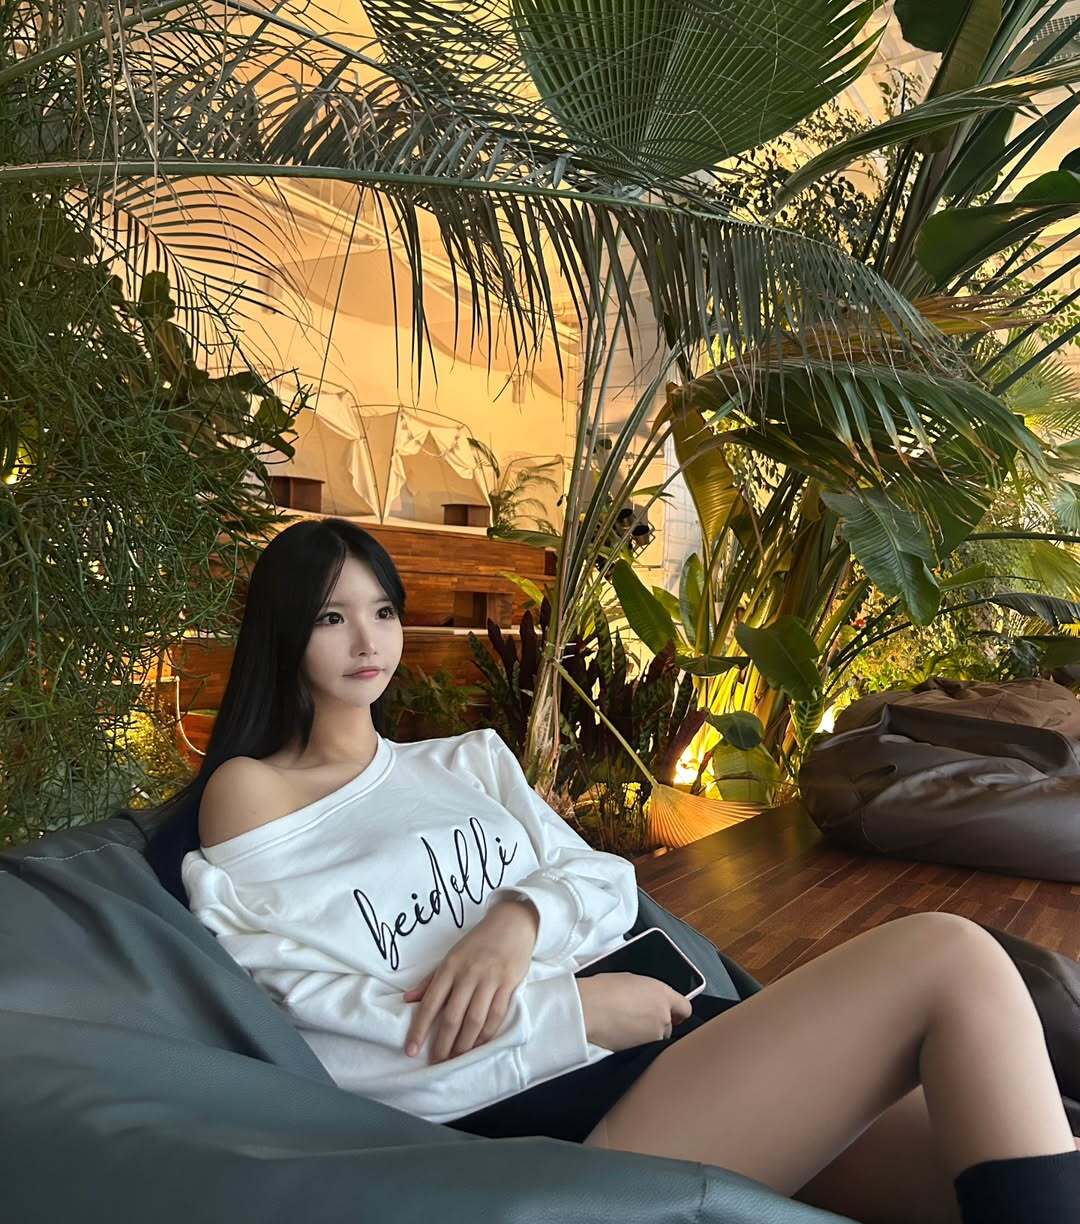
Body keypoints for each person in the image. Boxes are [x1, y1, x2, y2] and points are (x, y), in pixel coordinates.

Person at [146, 517, 1080, 1224]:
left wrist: (518, 921)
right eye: (332, 617)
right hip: (552, 1111)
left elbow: (603, 884)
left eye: (383, 611)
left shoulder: (466, 761)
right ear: (284, 632)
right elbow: (330, 1035)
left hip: (669, 1050)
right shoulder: (253, 792)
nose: (368, 641)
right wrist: (572, 1012)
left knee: (1012, 1131)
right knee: (949, 956)